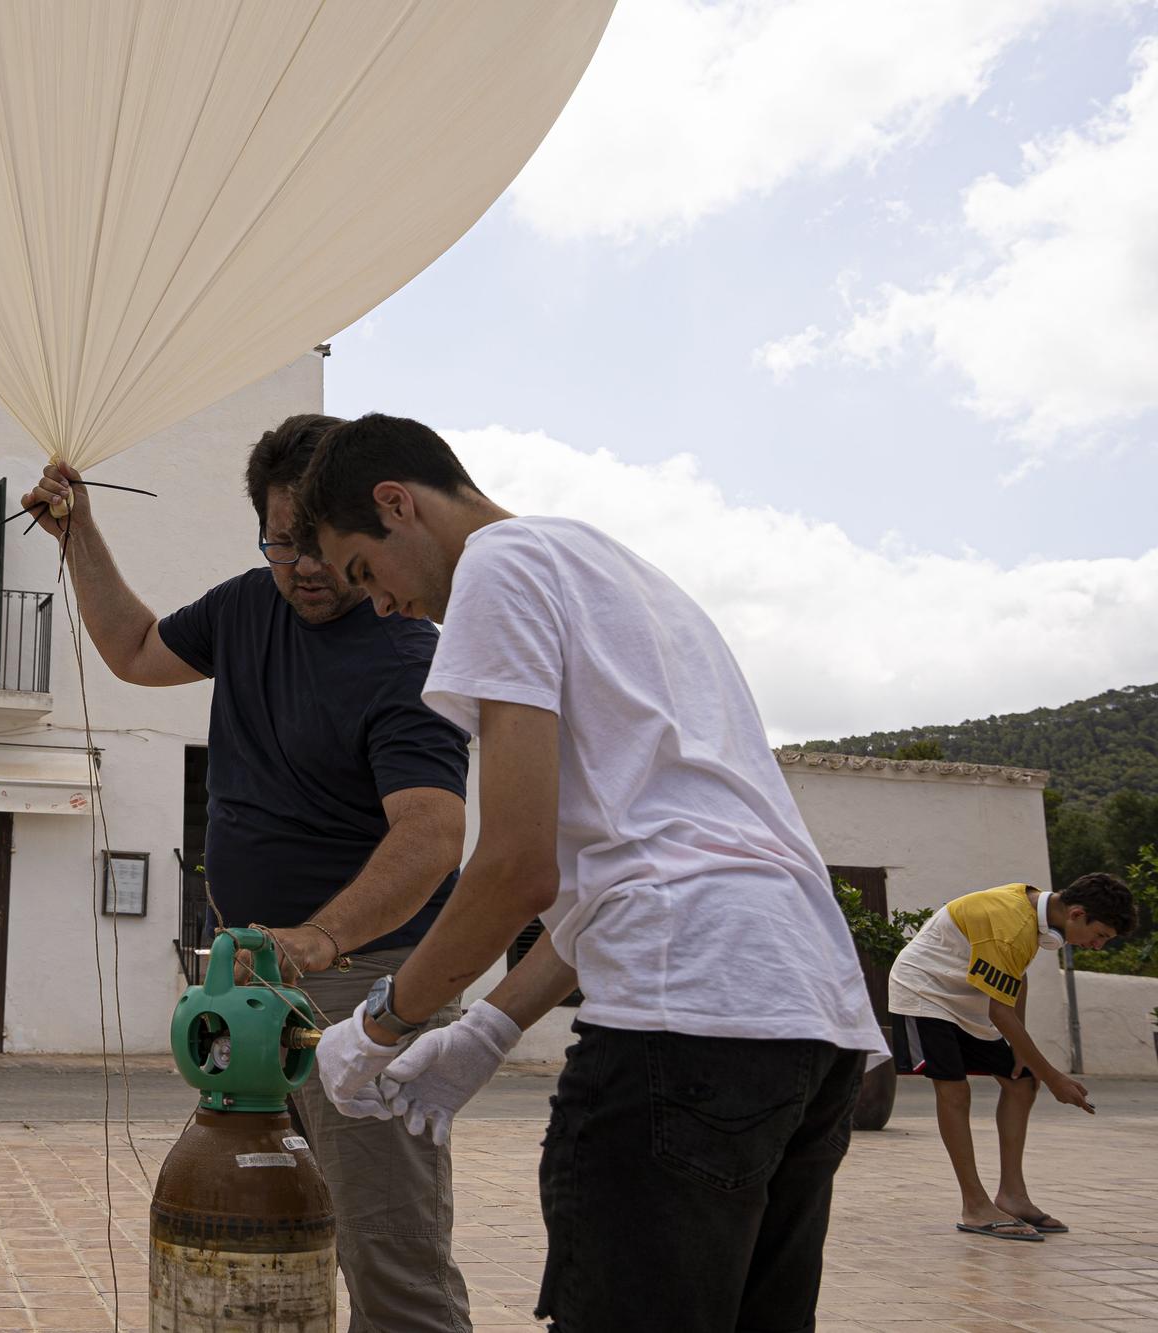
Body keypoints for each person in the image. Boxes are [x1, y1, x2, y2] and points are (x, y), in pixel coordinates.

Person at [295, 413, 889, 1333]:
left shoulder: (497, 564)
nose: (381, 605)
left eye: (366, 571)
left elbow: (515, 866)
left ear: (396, 503)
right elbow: (633, 874)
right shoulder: (637, 582)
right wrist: (489, 1029)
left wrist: (380, 1023)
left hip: (683, 1021)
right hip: (812, 1017)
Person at [20, 415, 476, 1332]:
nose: (301, 565)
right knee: (259, 1230)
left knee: (392, 1266)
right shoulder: (244, 607)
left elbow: (433, 832)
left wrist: (322, 937)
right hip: (246, 979)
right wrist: (77, 533)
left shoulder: (409, 657)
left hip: (364, 986)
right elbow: (137, 651)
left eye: (318, 542)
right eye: (279, 539)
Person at [888, 874, 1131, 1240]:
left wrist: (1023, 1050)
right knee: (955, 1091)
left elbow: (1016, 975)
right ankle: (975, 1206)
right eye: (1101, 936)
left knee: (1021, 1082)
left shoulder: (1034, 909)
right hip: (924, 992)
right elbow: (1001, 1013)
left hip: (968, 998)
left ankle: (1013, 1197)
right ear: (1078, 913)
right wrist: (1054, 1078)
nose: (1096, 946)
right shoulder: (1012, 921)